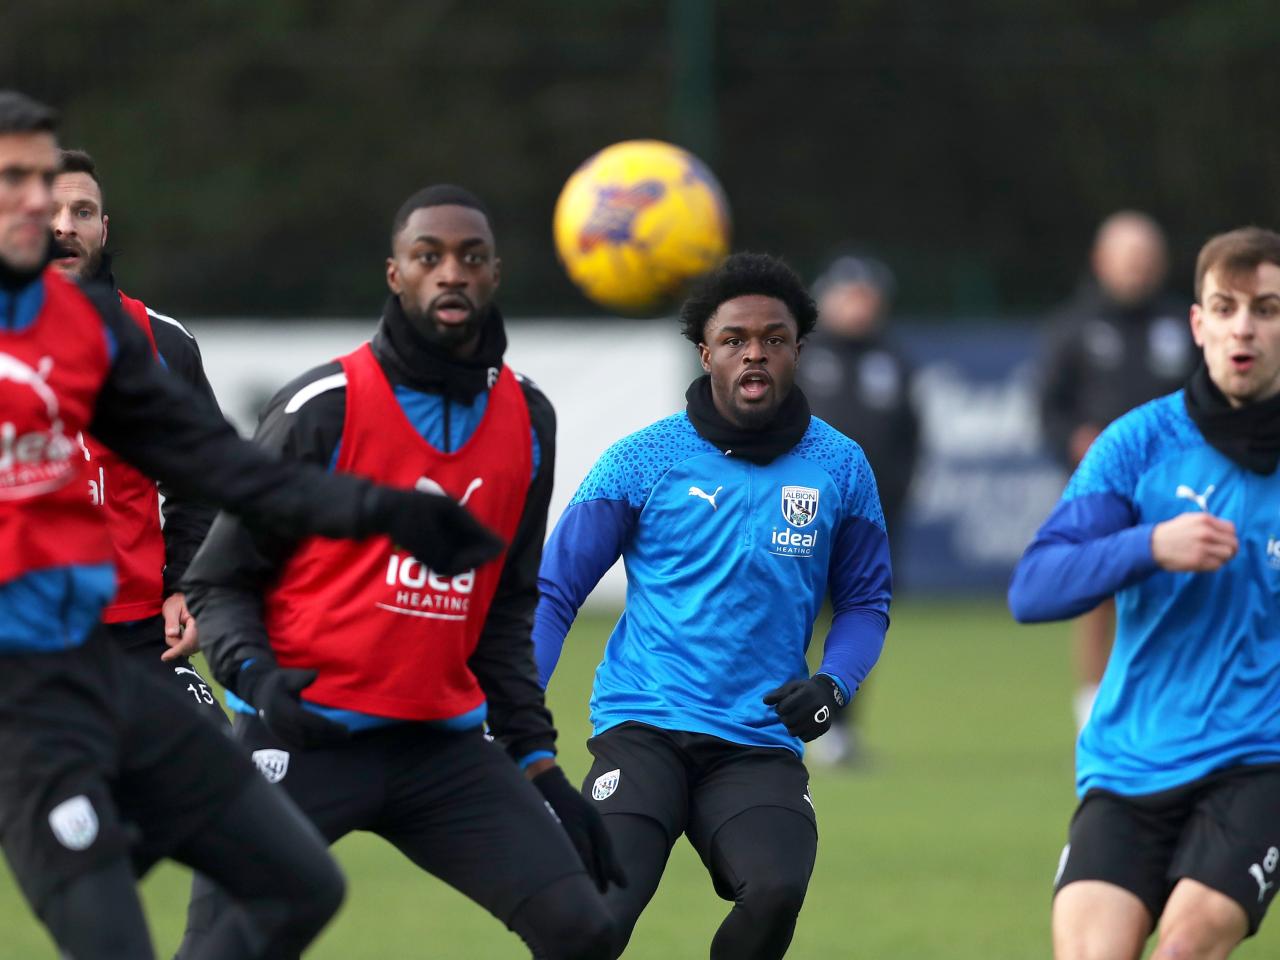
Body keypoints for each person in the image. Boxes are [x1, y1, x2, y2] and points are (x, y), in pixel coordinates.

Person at [0, 91, 502, 960]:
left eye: (51, 187)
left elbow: (220, 469)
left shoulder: (99, 342)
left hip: (114, 672)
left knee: (303, 883)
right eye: (16, 184)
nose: (44, 211)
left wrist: (382, 509)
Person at [182, 185, 621, 960]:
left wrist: (541, 765)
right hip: (305, 738)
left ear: (494, 275)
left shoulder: (530, 420)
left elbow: (505, 612)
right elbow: (219, 581)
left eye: (470, 258)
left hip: (441, 752)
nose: (450, 273)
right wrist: (255, 677)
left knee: (583, 931)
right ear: (396, 275)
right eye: (429, 257)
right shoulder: (325, 406)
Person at [533, 252, 892, 959]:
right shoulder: (641, 459)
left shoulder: (841, 467)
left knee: (777, 891)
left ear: (798, 350)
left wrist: (831, 684)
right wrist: (519, 706)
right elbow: (553, 591)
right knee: (597, 910)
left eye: (773, 338)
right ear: (706, 353)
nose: (753, 353)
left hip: (757, 743)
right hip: (645, 727)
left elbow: (865, 602)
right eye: (734, 340)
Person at [1009, 226, 1280, 959]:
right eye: (1224, 307)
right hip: (1132, 762)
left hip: (1260, 762)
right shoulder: (1138, 445)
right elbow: (1033, 589)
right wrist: (1150, 545)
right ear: (1198, 324)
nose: (1244, 326)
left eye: (1266, 308)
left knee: (1186, 946)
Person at [51, 147, 223, 714]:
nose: (63, 228)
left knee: (228, 785)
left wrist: (184, 584)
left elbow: (202, 482)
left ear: (102, 227)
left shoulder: (164, 343)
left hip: (138, 638)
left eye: (81, 212)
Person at [1038, 211, 1195, 730]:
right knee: (1100, 591)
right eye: (1128, 259)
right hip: (1102, 488)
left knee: (1178, 589)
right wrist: (1072, 439)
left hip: (1178, 486)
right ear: (1101, 262)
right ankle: (1093, 704)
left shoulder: (1183, 326)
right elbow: (1048, 404)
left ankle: (1174, 701)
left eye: (1147, 260)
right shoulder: (1075, 327)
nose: (1138, 270)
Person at [798, 254, 919, 766]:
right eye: (848, 293)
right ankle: (773, 720)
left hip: (870, 519)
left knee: (859, 617)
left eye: (866, 294)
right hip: (801, 513)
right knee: (792, 616)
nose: (858, 305)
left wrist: (898, 493)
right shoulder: (800, 354)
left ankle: (836, 727)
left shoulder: (893, 360)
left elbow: (913, 437)